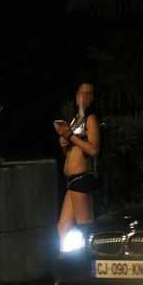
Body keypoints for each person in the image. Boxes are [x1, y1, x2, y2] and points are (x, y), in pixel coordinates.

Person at [54, 81, 100, 244]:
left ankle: (92, 264)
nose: (85, 97)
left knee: (85, 228)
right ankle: (68, 264)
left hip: (82, 178)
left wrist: (71, 137)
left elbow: (94, 149)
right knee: (63, 227)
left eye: (89, 93)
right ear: (76, 96)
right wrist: (64, 145)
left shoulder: (90, 119)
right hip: (71, 180)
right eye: (82, 92)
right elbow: (72, 152)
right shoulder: (74, 121)